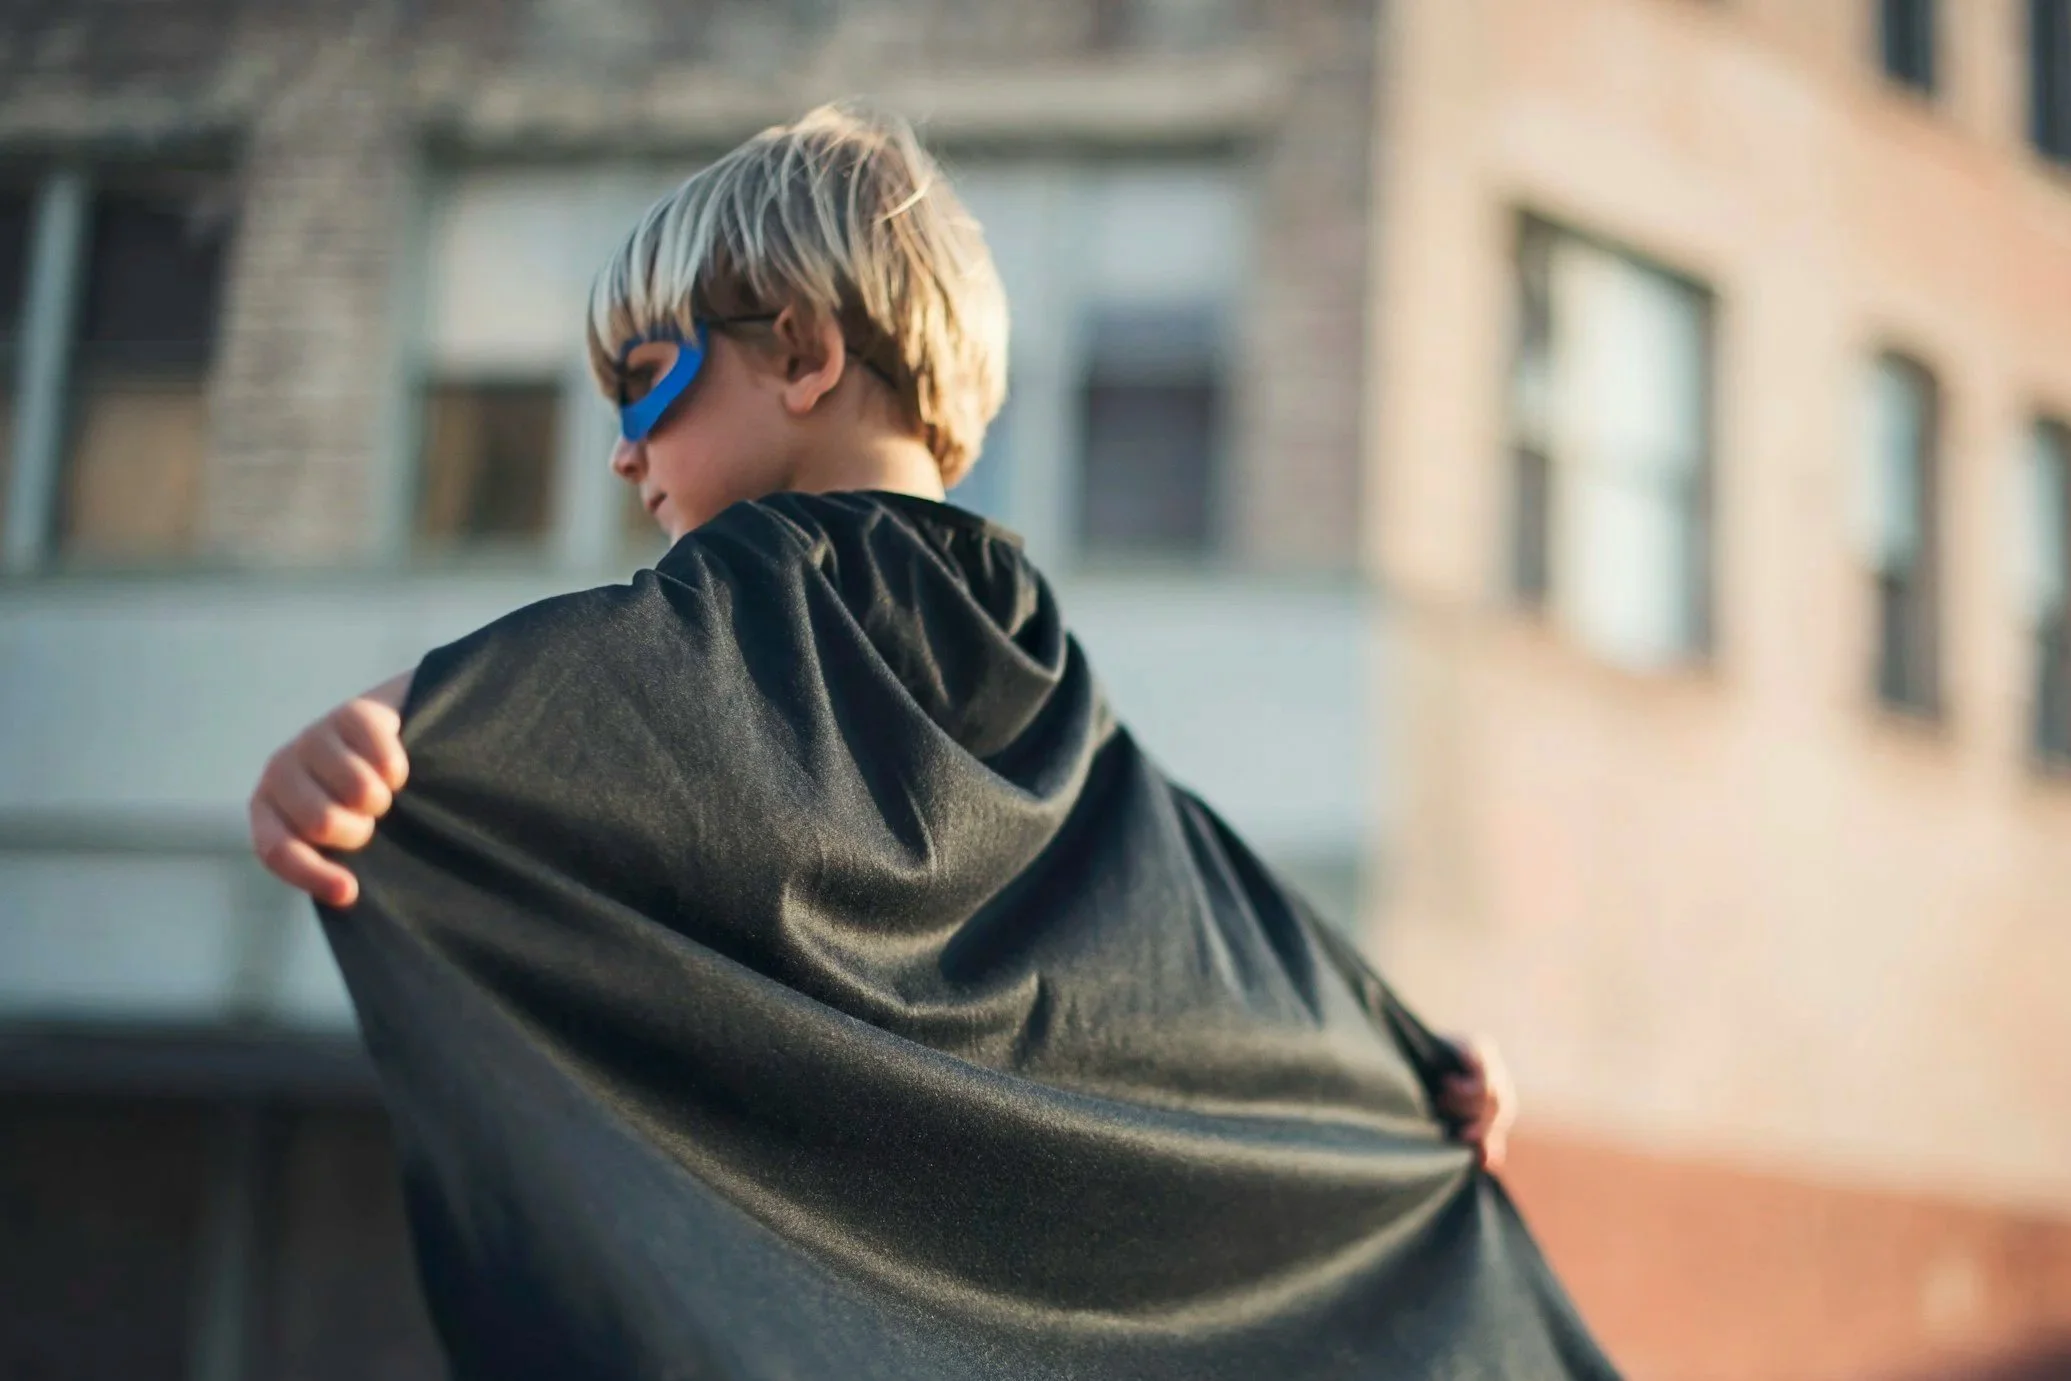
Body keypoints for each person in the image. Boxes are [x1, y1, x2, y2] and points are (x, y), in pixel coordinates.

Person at [246, 106, 1596, 1381]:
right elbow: (1184, 918)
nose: (619, 453)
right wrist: (1392, 1061)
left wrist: (398, 732)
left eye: (644, 388)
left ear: (800, 353)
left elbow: (610, 683)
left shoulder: (776, 582)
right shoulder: (1021, 631)